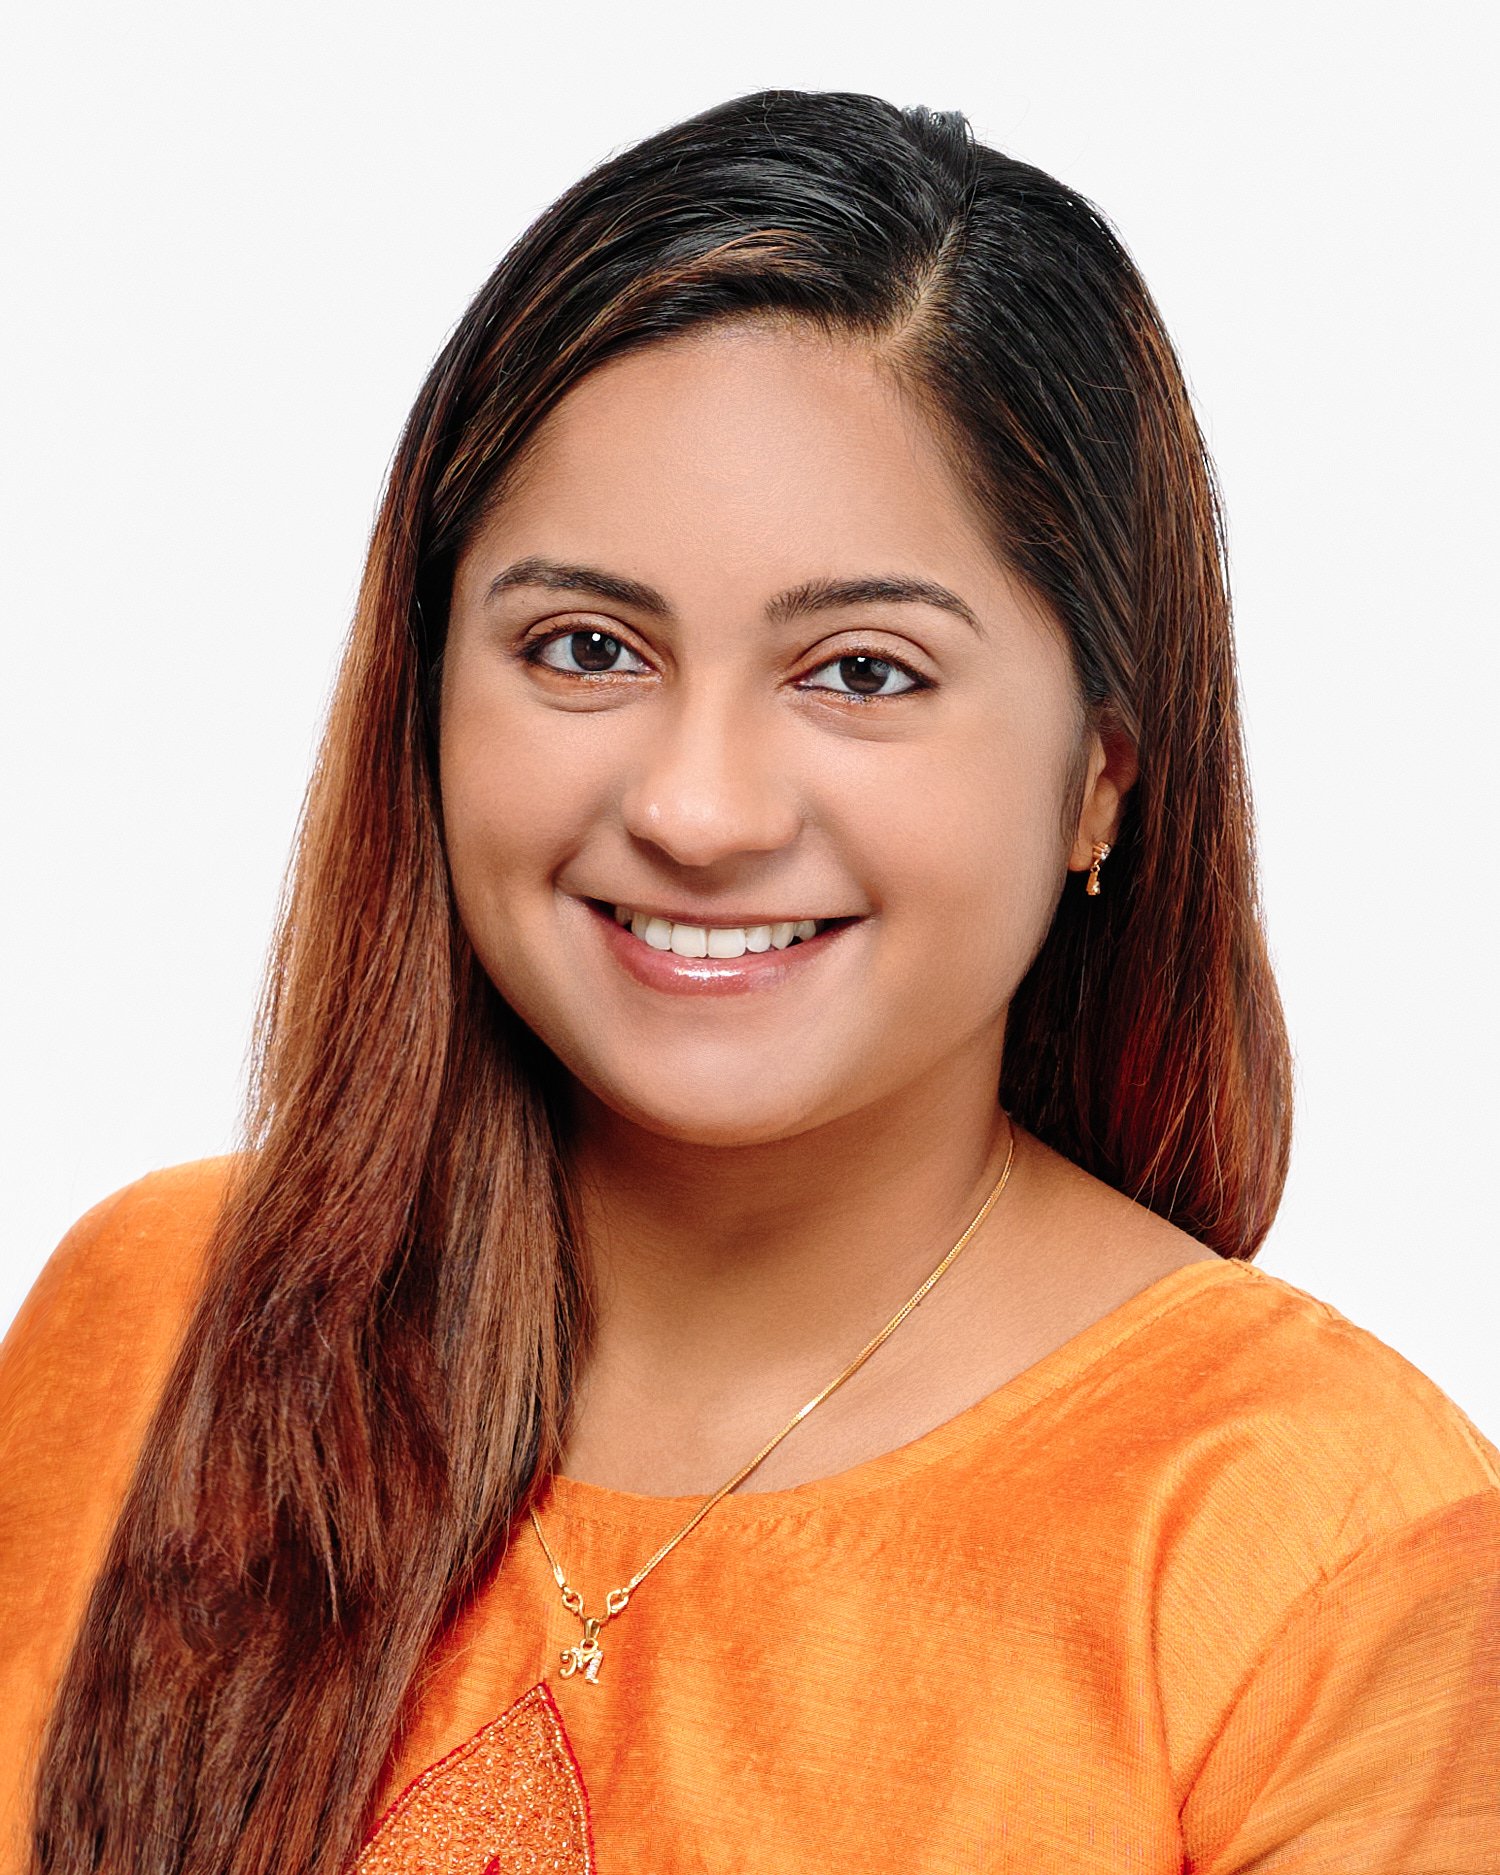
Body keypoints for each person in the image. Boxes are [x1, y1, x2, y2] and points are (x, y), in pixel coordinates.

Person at [1, 87, 1495, 1875]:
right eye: (585, 648)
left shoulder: (1317, 1548)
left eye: (860, 673)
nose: (696, 811)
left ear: (1101, 770)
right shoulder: (152, 1324)